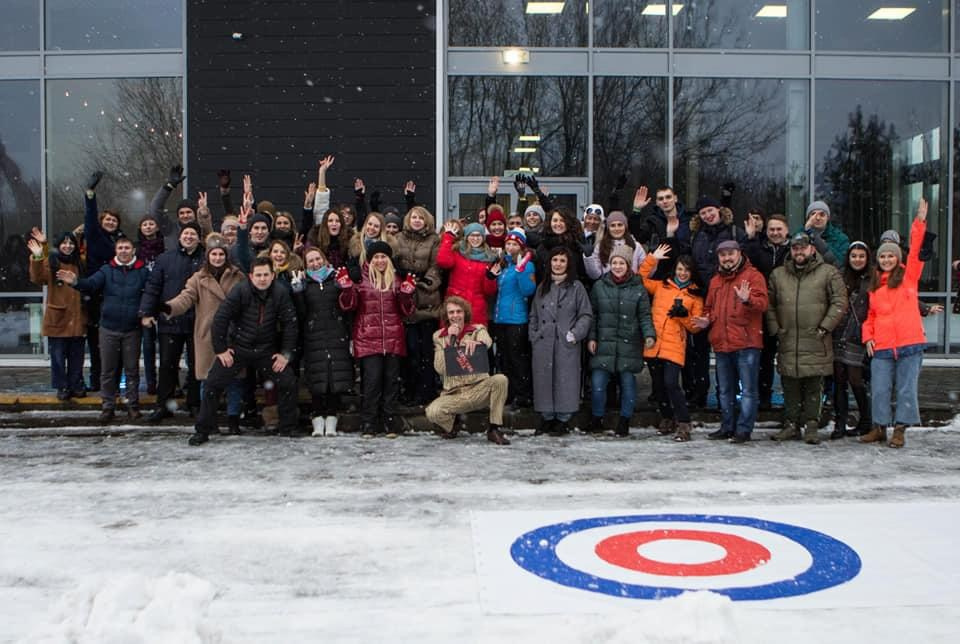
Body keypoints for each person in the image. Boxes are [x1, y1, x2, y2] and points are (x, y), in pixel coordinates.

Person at [190, 256, 299, 444]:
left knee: (288, 381)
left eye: (266, 275)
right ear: (251, 276)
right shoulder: (240, 291)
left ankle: (287, 428)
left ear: (273, 275)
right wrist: (221, 349)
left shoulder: (280, 293)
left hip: (266, 350)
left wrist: (285, 354)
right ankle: (203, 430)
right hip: (239, 348)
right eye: (258, 275)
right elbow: (220, 319)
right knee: (212, 384)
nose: (262, 279)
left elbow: (291, 324)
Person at [861, 198, 929, 449]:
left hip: (910, 344)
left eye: (891, 255)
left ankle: (900, 429)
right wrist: (868, 336)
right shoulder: (875, 284)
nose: (887, 259)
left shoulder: (909, 277)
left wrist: (919, 222)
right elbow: (871, 316)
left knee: (905, 389)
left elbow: (917, 249)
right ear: (878, 259)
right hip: (882, 346)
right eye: (883, 256)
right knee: (879, 389)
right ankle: (879, 427)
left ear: (897, 257)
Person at [766, 233, 847, 445]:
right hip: (788, 339)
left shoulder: (828, 273)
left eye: (802, 248)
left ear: (812, 249)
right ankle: (791, 425)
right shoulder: (778, 275)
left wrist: (824, 327)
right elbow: (769, 305)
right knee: (789, 384)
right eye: (795, 248)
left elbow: (839, 302)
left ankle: (812, 426)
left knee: (814, 385)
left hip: (816, 339)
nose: (798, 252)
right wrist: (776, 328)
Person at [58, 237, 149, 423]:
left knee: (131, 370)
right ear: (116, 251)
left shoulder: (142, 271)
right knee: (107, 370)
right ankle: (108, 406)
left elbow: (151, 293)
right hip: (108, 328)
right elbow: (91, 285)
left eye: (127, 247)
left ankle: (132, 405)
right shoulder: (107, 270)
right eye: (120, 248)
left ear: (133, 250)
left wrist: (148, 313)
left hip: (132, 329)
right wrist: (76, 282)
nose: (124, 251)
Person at [163, 234, 246, 434]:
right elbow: (186, 298)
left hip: (233, 334)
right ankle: (209, 419)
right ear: (208, 256)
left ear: (226, 255)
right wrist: (169, 307)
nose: (217, 258)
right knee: (208, 381)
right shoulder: (198, 278)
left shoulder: (238, 276)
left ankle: (234, 419)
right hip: (207, 336)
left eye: (221, 254)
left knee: (235, 380)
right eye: (214, 254)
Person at [337, 241, 416, 437]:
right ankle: (368, 423)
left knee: (391, 383)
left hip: (392, 339)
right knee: (371, 383)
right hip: (367, 338)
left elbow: (407, 311)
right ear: (370, 261)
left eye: (383, 257)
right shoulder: (361, 280)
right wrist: (347, 289)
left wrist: (407, 295)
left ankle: (389, 422)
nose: (380, 261)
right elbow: (349, 306)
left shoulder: (397, 280)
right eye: (376, 258)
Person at [692, 240, 767, 443]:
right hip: (721, 342)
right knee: (725, 390)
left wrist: (747, 299)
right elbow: (709, 308)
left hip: (746, 342)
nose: (727, 258)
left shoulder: (753, 276)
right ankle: (727, 426)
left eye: (730, 254)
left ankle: (743, 430)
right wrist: (706, 319)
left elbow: (763, 304)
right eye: (722, 255)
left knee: (748, 390)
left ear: (739, 254)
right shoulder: (715, 281)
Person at [139, 222, 205, 422]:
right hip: (170, 321)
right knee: (167, 365)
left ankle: (194, 404)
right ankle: (164, 405)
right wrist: (146, 312)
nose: (189, 237)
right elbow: (153, 287)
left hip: (197, 321)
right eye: (186, 233)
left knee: (196, 366)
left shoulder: (206, 260)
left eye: (193, 234)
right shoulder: (165, 259)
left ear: (199, 238)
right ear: (179, 237)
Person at [586, 246, 656, 436]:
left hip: (629, 341)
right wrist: (591, 337)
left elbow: (644, 315)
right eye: (614, 263)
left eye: (621, 263)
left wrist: (649, 335)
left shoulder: (638, 288)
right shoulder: (600, 286)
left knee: (627, 383)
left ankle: (625, 420)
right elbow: (593, 315)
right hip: (604, 341)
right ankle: (596, 417)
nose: (617, 266)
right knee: (598, 384)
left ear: (628, 265)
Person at [639, 245, 704, 442]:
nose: (682, 273)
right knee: (658, 385)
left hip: (675, 344)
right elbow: (639, 279)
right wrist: (652, 259)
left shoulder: (695, 295)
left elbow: (696, 326)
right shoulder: (661, 286)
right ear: (674, 269)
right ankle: (667, 418)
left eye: (686, 270)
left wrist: (683, 317)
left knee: (671, 383)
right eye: (680, 269)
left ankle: (683, 422)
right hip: (654, 342)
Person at [425, 296, 511, 445]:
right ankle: (452, 426)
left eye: (459, 311)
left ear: (465, 313)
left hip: (479, 389)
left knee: (500, 379)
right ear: (446, 316)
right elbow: (439, 368)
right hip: (454, 393)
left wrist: (478, 343)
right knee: (432, 412)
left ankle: (494, 428)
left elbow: (488, 342)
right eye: (451, 312)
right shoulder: (439, 336)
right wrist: (450, 343)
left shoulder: (477, 330)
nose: (455, 315)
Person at [529, 246, 593, 435]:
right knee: (543, 380)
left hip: (566, 342)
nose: (558, 264)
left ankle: (563, 419)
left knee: (566, 380)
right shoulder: (543, 286)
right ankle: (547, 417)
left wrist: (574, 334)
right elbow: (533, 313)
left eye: (562, 261)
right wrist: (534, 334)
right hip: (544, 341)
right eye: (555, 260)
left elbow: (586, 315)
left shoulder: (576, 287)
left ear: (568, 264)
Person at [687, 196, 745, 408]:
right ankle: (700, 393)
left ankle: (727, 397)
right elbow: (691, 263)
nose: (707, 215)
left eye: (710, 211)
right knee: (699, 350)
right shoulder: (696, 236)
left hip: (728, 295)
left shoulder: (733, 232)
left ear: (718, 210)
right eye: (703, 213)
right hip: (701, 296)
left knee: (727, 348)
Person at [296, 247, 353, 437]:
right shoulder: (305, 283)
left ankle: (332, 420)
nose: (315, 263)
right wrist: (297, 293)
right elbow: (302, 313)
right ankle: (317, 420)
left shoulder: (335, 279)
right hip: (314, 336)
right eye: (310, 261)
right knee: (317, 380)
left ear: (324, 259)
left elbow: (347, 307)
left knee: (334, 379)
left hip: (336, 334)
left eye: (317, 259)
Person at [390, 205, 443, 406]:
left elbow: (437, 267)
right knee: (410, 351)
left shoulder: (433, 240)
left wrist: (423, 282)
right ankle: (410, 391)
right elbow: (393, 261)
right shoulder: (399, 238)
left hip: (427, 300)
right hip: (406, 302)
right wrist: (403, 279)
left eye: (421, 217)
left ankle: (426, 392)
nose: (417, 220)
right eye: (414, 217)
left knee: (427, 353)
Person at [27, 229, 87, 400]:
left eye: (71, 243)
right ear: (59, 245)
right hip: (58, 317)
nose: (68, 246)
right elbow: (37, 278)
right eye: (64, 243)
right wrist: (38, 256)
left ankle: (76, 384)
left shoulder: (81, 263)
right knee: (58, 357)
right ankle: (62, 386)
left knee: (77, 357)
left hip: (77, 317)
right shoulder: (52, 262)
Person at [82, 171, 126, 392]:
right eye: (107, 219)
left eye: (114, 220)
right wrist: (90, 194)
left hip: (115, 295)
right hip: (94, 294)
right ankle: (96, 379)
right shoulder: (94, 235)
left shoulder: (121, 241)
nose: (110, 222)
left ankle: (117, 382)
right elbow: (90, 218)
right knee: (95, 341)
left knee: (115, 343)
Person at [742, 212, 791, 409]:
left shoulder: (793, 250)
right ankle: (764, 397)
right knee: (765, 355)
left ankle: (793, 400)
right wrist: (751, 238)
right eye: (772, 229)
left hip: (788, 308)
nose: (775, 233)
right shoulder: (759, 247)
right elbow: (745, 262)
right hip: (763, 309)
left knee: (789, 355)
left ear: (786, 230)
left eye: (779, 229)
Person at [490, 228, 537, 408]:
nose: (510, 247)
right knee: (505, 358)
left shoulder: (527, 265)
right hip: (501, 318)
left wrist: (520, 271)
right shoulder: (503, 264)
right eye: (508, 243)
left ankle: (522, 394)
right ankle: (508, 393)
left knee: (517, 358)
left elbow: (528, 290)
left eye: (514, 244)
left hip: (516, 319)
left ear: (521, 246)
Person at [832, 242, 874, 439]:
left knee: (855, 378)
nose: (857, 259)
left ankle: (866, 421)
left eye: (861, 256)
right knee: (839, 378)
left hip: (858, 334)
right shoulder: (840, 275)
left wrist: (924, 308)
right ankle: (839, 423)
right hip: (839, 331)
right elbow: (826, 253)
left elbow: (897, 294)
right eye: (854, 256)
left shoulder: (874, 278)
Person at [436, 220, 499, 326]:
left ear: (483, 238)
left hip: (476, 307)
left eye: (478, 235)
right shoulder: (458, 251)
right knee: (451, 338)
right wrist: (448, 238)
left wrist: (490, 278)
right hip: (455, 304)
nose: (475, 238)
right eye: (472, 235)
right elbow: (443, 261)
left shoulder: (489, 257)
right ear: (467, 237)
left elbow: (489, 291)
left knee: (473, 339)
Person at [629, 185, 692, 280]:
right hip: (659, 277)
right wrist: (636, 211)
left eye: (668, 197)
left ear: (675, 198)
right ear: (657, 203)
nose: (665, 201)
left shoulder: (688, 220)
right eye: (661, 198)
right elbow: (639, 236)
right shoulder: (653, 221)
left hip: (684, 275)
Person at [136, 213, 165, 395]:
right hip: (145, 300)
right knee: (147, 345)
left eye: (151, 223)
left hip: (164, 299)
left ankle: (167, 380)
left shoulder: (165, 247)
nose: (148, 226)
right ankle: (151, 381)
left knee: (166, 345)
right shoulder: (137, 249)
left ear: (157, 227)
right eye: (144, 224)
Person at [583, 211, 646, 280]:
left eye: (620, 225)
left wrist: (653, 257)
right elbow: (595, 275)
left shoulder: (636, 246)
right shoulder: (601, 246)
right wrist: (588, 258)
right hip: (607, 287)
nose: (616, 228)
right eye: (613, 225)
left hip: (631, 287)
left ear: (625, 227)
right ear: (608, 228)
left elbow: (646, 272)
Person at [800, 200, 849, 267]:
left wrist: (817, 239)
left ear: (828, 218)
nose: (817, 218)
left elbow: (841, 263)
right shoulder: (799, 234)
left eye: (822, 214)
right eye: (813, 214)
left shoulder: (841, 238)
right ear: (808, 218)